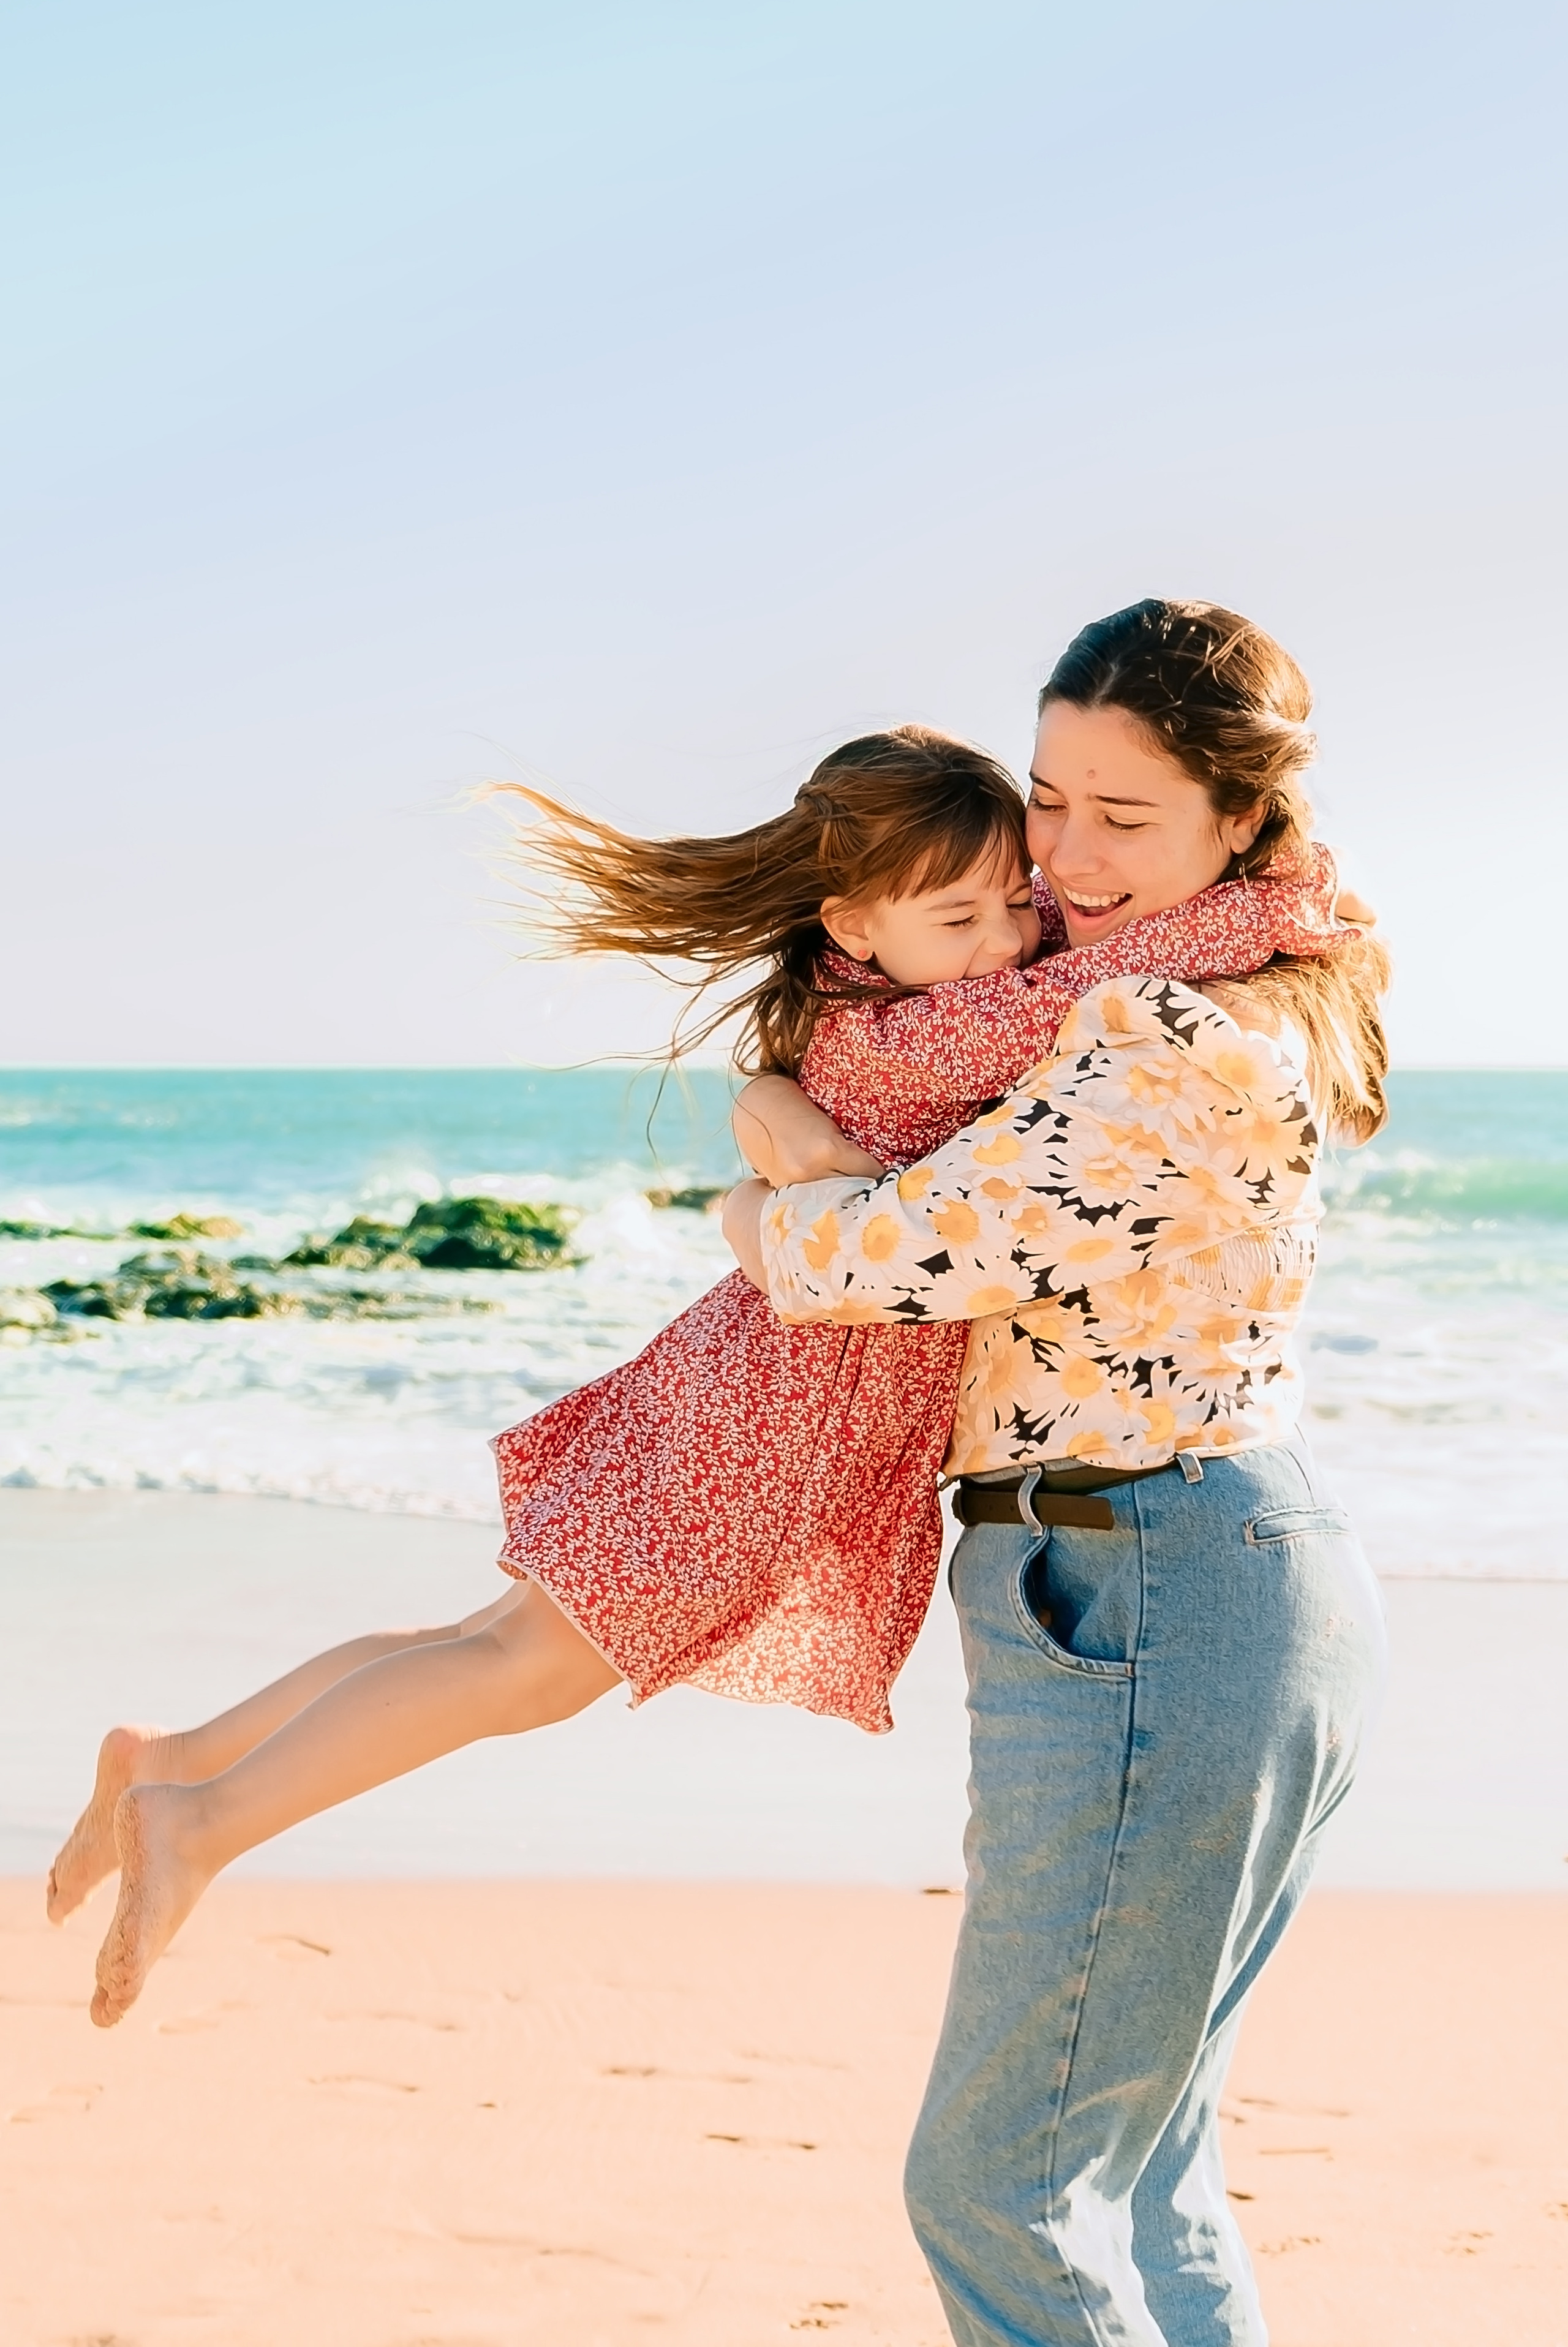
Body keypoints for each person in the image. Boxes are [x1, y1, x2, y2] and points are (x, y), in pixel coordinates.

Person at [51, 717, 1349, 2033]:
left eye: (1008, 905)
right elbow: (1104, 978)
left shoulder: (878, 1010)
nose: (1006, 944)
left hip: (740, 1386)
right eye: (956, 920)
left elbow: (1052, 986)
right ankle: (202, 1819)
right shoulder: (930, 1035)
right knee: (521, 1672)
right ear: (852, 926)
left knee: (490, 1642)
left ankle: (177, 1760)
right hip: (768, 1415)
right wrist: (1281, 910)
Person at [721, 599, 1390, 2347]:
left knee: (1001, 2183)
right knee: (1140, 2179)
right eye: (1050, 797)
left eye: (1125, 815)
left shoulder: (1169, 1032)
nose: (1064, 856)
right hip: (1189, 1572)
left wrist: (769, 1171)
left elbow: (870, 1255)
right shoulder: (1196, 998)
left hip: (1149, 1582)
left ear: (1240, 821)